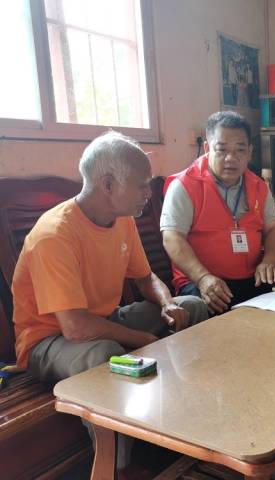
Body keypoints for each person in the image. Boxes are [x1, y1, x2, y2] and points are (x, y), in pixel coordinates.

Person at [12, 131, 209, 471]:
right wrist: (144, 340)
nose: (149, 193)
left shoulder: (122, 220)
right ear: (107, 184)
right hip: (48, 341)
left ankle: (184, 418)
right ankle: (117, 465)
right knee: (106, 355)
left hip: (103, 321)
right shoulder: (54, 235)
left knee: (191, 307)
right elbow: (75, 328)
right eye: (141, 185)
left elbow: (146, 278)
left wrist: (167, 303)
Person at [161, 111, 275, 313]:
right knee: (209, 313)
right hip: (204, 283)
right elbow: (171, 238)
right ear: (207, 148)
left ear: (250, 152)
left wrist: (270, 260)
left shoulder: (258, 186)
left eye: (240, 150)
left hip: (252, 278)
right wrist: (202, 278)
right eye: (222, 150)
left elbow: (274, 228)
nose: (231, 158)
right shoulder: (184, 185)